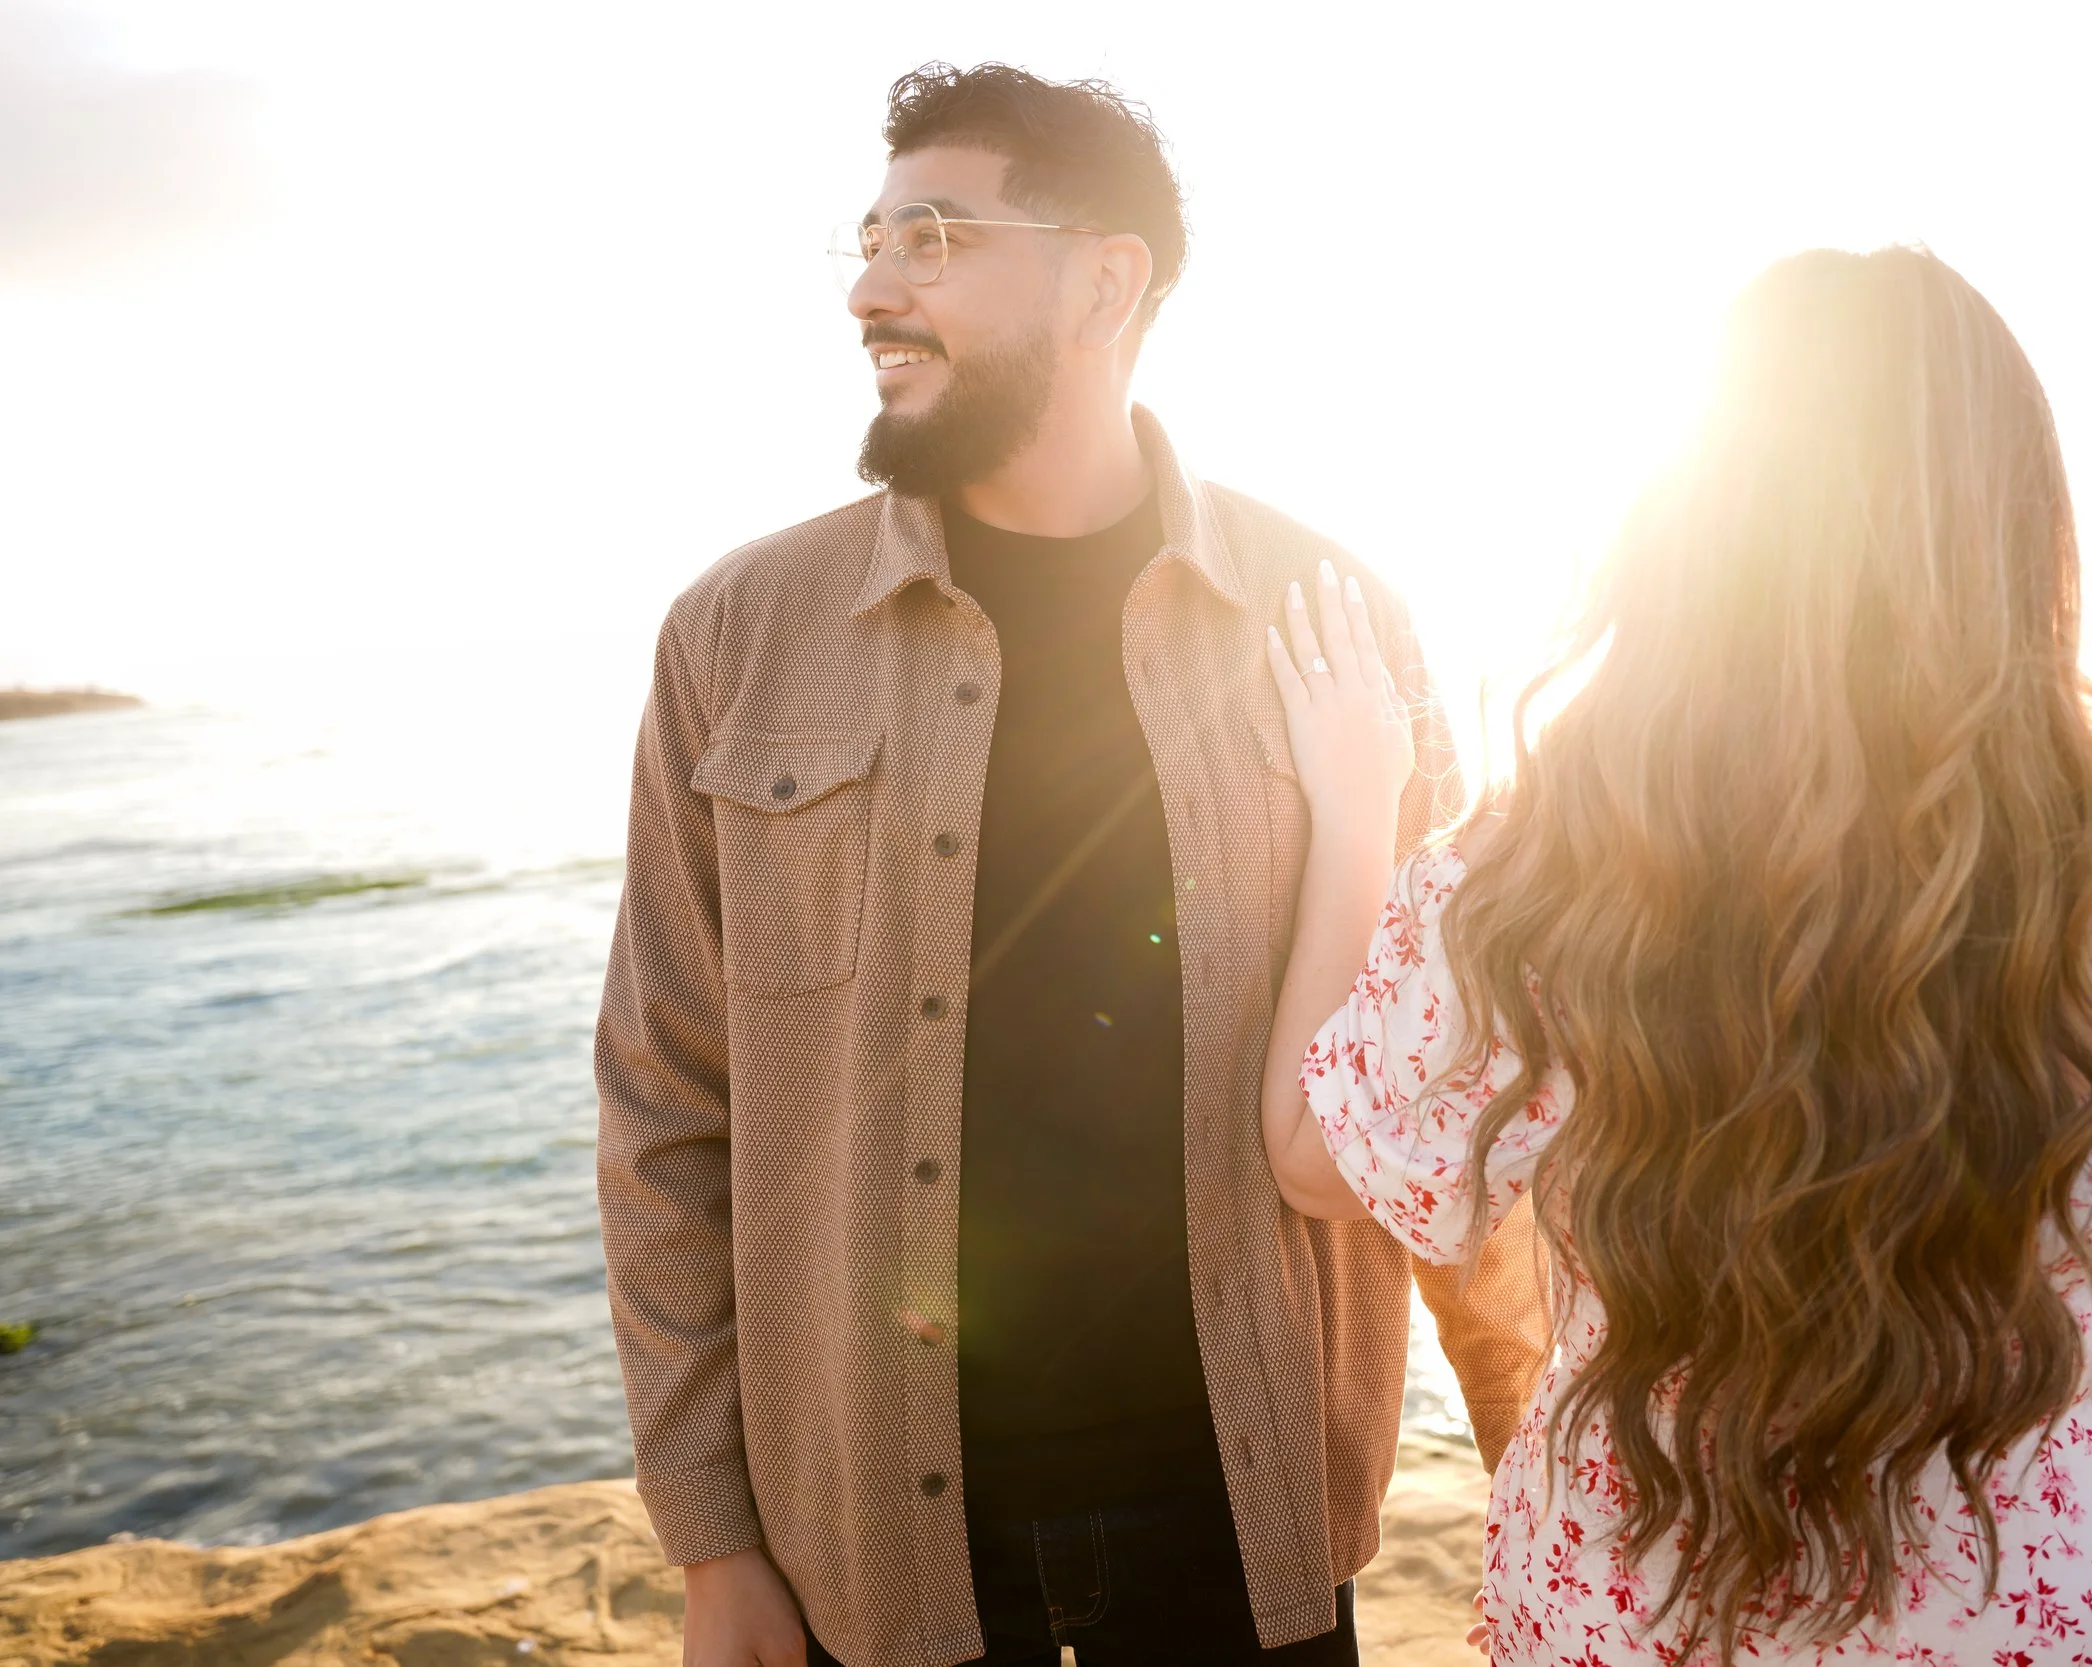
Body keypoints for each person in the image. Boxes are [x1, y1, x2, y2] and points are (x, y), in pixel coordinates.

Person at [1256, 248, 2092, 1664]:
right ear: (2018, 519)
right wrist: (2064, 1462)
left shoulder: (1559, 845)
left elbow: (1318, 1158)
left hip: (1637, 1599)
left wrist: (1353, 806)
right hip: (2036, 1598)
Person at [594, 61, 1546, 1667]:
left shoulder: (1338, 618)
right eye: (874, 240)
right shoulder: (739, 639)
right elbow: (665, 1108)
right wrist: (711, 1541)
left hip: (1253, 1535)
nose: (874, 290)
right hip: (870, 1567)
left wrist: (1527, 1434)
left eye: (938, 238)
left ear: (1108, 280)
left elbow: (1445, 1084)